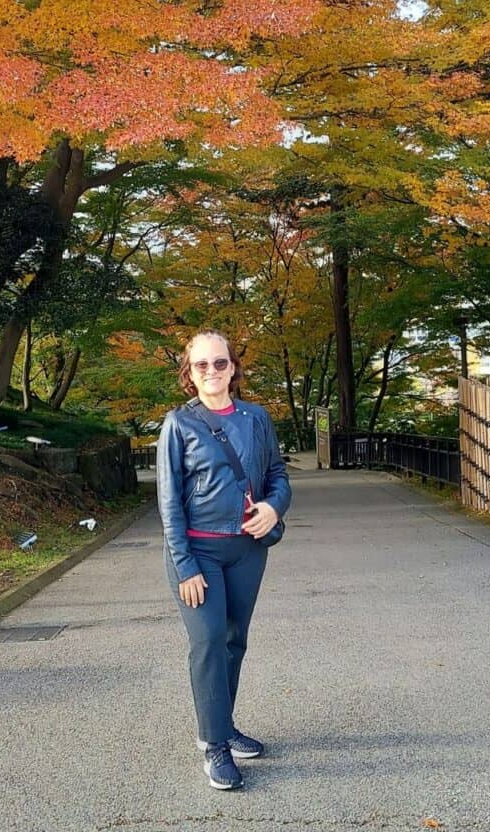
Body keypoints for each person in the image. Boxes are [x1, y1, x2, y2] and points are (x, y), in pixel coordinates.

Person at [157, 330, 292, 791]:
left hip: (247, 550)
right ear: (189, 373)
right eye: (202, 365)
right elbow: (168, 502)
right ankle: (214, 745)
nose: (212, 371)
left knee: (235, 640)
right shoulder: (179, 424)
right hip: (199, 552)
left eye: (220, 363)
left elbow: (277, 475)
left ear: (233, 368)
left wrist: (273, 507)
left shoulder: (256, 419)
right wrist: (185, 565)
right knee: (210, 640)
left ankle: (225, 725)